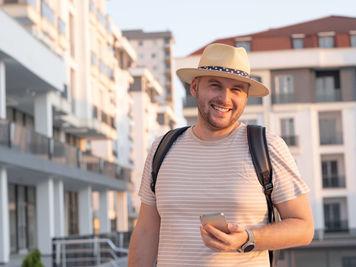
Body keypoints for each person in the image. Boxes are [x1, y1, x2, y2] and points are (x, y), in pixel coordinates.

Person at [128, 43, 314, 267]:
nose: (225, 98)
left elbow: (304, 227)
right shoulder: (163, 148)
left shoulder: (267, 146)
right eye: (215, 86)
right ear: (195, 87)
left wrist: (248, 238)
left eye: (236, 89)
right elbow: (146, 232)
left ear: (246, 96)